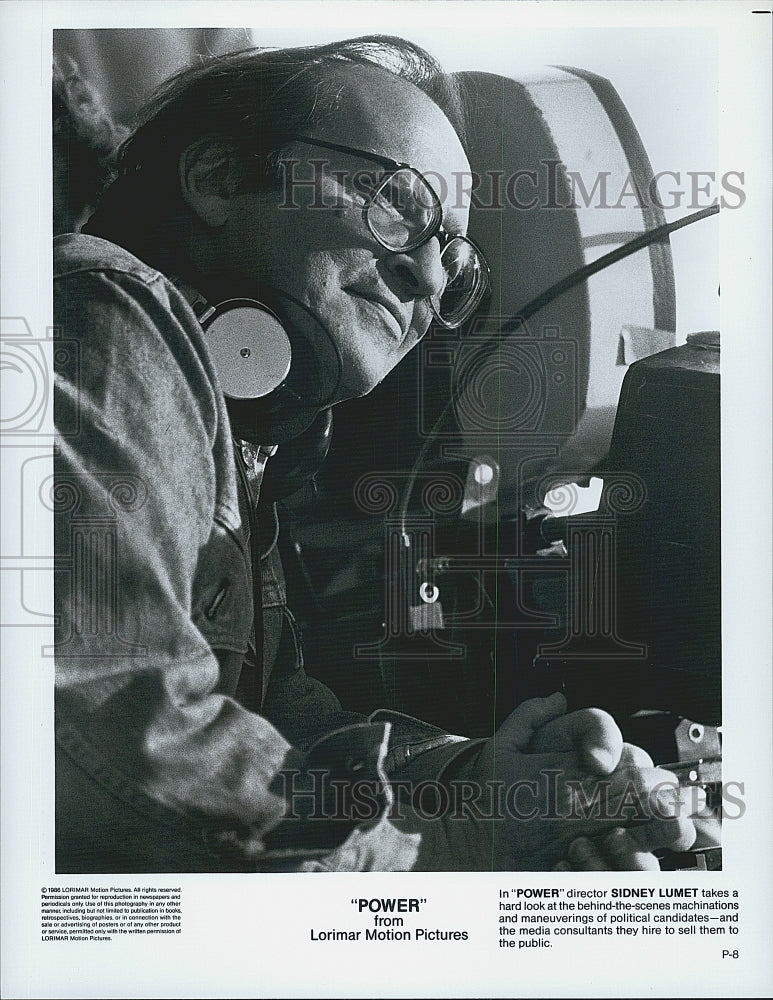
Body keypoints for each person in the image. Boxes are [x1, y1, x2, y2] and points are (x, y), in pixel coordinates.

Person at [53, 35, 695, 872]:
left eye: (455, 259)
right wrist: (437, 854)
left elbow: (283, 719)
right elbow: (106, 732)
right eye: (399, 201)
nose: (429, 279)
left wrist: (471, 781)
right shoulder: (104, 312)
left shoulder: (255, 447)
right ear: (216, 178)